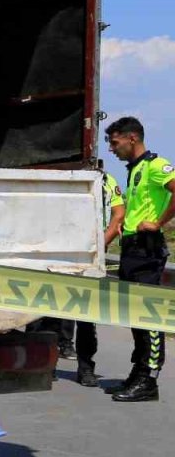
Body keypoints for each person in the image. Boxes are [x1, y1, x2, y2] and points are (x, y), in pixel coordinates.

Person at [106, 116, 174, 402]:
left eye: (115, 141)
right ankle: (139, 370)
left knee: (149, 314)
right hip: (132, 248)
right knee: (134, 315)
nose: (111, 148)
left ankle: (150, 379)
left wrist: (159, 223)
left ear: (132, 138)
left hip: (148, 249)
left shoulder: (157, 166)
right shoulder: (135, 169)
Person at [76, 159, 126, 387]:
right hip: (63, 251)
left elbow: (118, 214)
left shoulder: (108, 182)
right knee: (48, 309)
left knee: (87, 316)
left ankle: (86, 367)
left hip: (94, 256)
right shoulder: (71, 182)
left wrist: (99, 244)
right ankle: (47, 363)